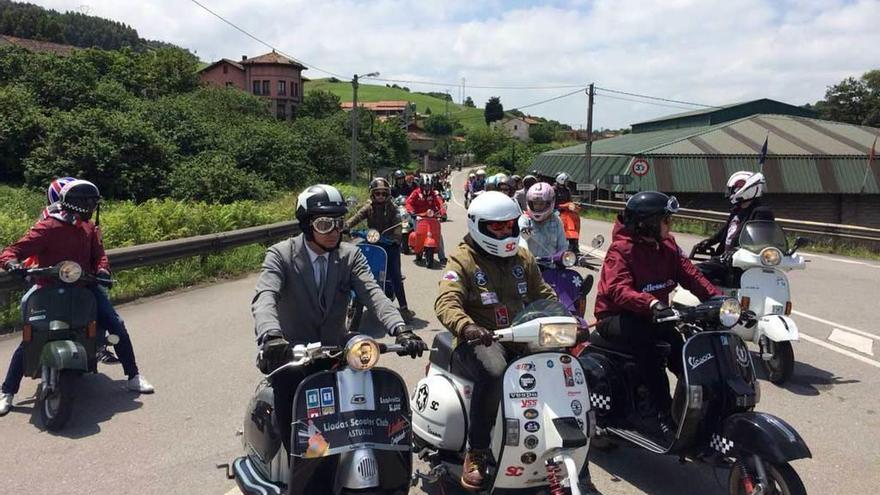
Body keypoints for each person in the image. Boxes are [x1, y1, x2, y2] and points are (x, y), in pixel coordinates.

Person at [436, 191, 601, 494]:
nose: (504, 232)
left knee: (564, 368)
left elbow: (543, 293)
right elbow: (447, 301)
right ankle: (479, 451)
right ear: (478, 226)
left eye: (509, 225)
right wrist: (467, 326)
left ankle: (578, 457)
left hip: (523, 335)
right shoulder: (462, 259)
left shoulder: (522, 256)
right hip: (483, 339)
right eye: (496, 227)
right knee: (495, 371)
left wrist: (569, 320)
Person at [251, 184, 425, 453]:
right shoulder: (281, 255)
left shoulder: (350, 255)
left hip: (335, 349)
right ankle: (298, 470)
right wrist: (271, 336)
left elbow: (373, 293)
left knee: (366, 405)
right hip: (292, 354)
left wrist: (400, 329)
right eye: (324, 224)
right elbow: (265, 296)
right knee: (293, 418)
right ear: (307, 225)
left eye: (338, 223)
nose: (334, 231)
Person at [1, 180, 154, 416]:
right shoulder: (48, 226)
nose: (92, 205)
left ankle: (133, 375)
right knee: (32, 335)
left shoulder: (89, 229)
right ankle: (7, 391)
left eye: (93, 201)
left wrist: (102, 270)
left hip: (84, 287)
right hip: (47, 288)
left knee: (117, 325)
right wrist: (12, 264)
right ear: (75, 203)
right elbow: (13, 251)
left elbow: (100, 257)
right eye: (87, 201)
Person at [593, 191, 720, 443]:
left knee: (685, 353)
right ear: (647, 223)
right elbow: (618, 290)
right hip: (616, 317)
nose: (669, 225)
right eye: (665, 220)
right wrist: (651, 303)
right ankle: (659, 415)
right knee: (650, 350)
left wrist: (718, 299)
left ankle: (692, 411)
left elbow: (690, 274)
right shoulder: (621, 250)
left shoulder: (667, 245)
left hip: (653, 316)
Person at [345, 178, 415, 322]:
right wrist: (346, 225)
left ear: (388, 194)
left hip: (390, 244)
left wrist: (395, 238)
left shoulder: (393, 208)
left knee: (395, 274)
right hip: (373, 240)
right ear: (372, 194)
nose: (381, 196)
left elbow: (398, 226)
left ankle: (403, 308)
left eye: (384, 194)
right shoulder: (369, 207)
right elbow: (358, 216)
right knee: (355, 265)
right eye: (377, 194)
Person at [695, 171, 772, 284]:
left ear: (746, 189)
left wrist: (736, 250)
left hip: (742, 262)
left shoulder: (761, 212)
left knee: (695, 271)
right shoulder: (737, 210)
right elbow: (725, 231)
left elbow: (760, 240)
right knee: (692, 271)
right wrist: (709, 242)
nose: (731, 192)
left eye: (734, 189)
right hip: (725, 259)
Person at [405, 175, 447, 263]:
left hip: (431, 217)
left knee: (439, 235)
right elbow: (408, 203)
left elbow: (440, 203)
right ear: (421, 185)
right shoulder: (416, 193)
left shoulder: (433, 194)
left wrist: (443, 213)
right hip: (418, 217)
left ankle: (442, 257)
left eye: (429, 186)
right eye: (425, 185)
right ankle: (418, 251)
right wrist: (412, 212)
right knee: (418, 234)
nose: (427, 187)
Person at [518, 182, 568, 258]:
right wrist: (528, 258)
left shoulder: (555, 221)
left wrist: (562, 257)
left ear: (550, 203)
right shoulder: (526, 220)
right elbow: (522, 241)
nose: (538, 207)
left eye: (541, 204)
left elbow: (562, 245)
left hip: (552, 265)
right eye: (535, 204)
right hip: (531, 266)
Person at [554, 172, 582, 252]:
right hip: (556, 210)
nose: (567, 182)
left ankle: (575, 242)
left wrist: (574, 204)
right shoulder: (553, 189)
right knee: (558, 220)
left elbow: (570, 201)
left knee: (575, 218)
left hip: (566, 211)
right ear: (561, 180)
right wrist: (561, 206)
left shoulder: (567, 190)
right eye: (566, 181)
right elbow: (552, 203)